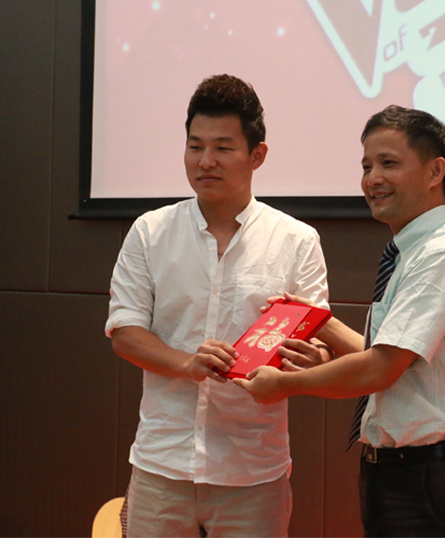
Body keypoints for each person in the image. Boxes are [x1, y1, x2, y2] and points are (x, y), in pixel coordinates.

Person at [235, 104, 445, 537]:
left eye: (388, 164)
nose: (372, 178)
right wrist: (316, 321)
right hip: (402, 475)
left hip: (430, 479)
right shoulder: (413, 252)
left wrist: (283, 384)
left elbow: (381, 368)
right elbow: (392, 359)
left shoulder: (442, 255)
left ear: (435, 172)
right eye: (366, 166)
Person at [105, 74, 329, 537]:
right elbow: (125, 333)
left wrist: (309, 362)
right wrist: (188, 364)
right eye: (195, 146)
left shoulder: (296, 240)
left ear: (257, 155)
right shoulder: (150, 232)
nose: (205, 161)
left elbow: (314, 342)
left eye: (223, 148)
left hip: (253, 472)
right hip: (162, 465)